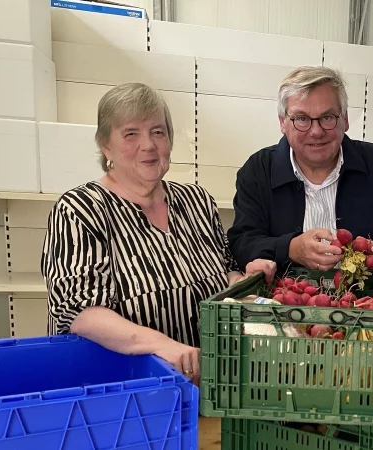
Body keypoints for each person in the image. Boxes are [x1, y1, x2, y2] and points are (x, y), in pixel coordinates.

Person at [41, 83, 278, 385]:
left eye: (158, 132)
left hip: (206, 382)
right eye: (131, 134)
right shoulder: (80, 210)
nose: (149, 145)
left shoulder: (197, 202)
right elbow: (81, 314)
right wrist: (162, 346)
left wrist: (244, 283)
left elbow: (223, 275)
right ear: (105, 145)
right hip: (124, 390)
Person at [227, 66, 373, 274]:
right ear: (283, 123)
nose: (316, 131)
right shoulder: (258, 171)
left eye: (327, 117)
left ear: (345, 120)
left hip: (366, 302)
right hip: (283, 302)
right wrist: (290, 248)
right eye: (301, 118)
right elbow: (242, 243)